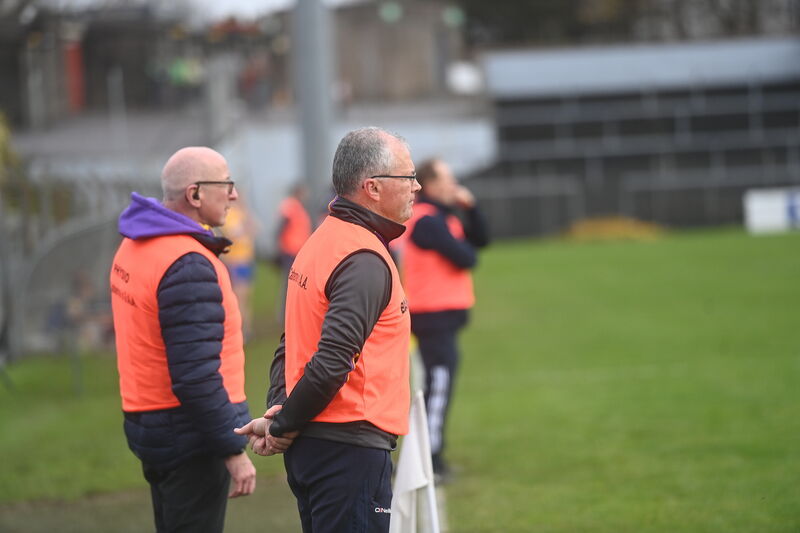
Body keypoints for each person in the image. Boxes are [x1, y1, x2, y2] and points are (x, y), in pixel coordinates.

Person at [236, 127, 420, 532]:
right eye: (408, 176)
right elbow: (331, 361)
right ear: (373, 187)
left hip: (320, 445)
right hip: (348, 449)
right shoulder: (362, 257)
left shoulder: (324, 240)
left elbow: (291, 342)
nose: (416, 186)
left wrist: (281, 414)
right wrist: (283, 424)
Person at [109, 147, 256, 533]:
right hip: (191, 436)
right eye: (226, 184)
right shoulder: (187, 263)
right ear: (195, 194)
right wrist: (231, 449)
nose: (233, 194)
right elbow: (195, 376)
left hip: (152, 423)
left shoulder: (135, 244)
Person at [400, 157, 490, 482]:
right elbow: (467, 257)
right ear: (431, 184)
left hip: (441, 317)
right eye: (447, 179)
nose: (454, 185)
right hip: (432, 316)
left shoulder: (442, 216)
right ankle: (430, 458)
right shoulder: (427, 220)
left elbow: (481, 240)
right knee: (438, 386)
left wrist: (471, 208)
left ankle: (430, 454)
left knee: (439, 384)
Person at [220, 200, 259, 340]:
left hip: (247, 261)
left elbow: (256, 229)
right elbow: (232, 235)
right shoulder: (228, 215)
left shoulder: (243, 213)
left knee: (246, 298)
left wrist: (247, 215)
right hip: (236, 261)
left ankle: (246, 329)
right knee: (238, 298)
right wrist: (245, 228)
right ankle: (240, 331)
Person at [275, 182, 312, 322]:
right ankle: (284, 314)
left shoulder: (297, 206)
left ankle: (290, 313)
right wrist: (279, 248)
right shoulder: (290, 205)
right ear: (299, 192)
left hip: (297, 252)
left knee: (295, 284)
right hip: (290, 251)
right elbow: (281, 227)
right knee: (289, 284)